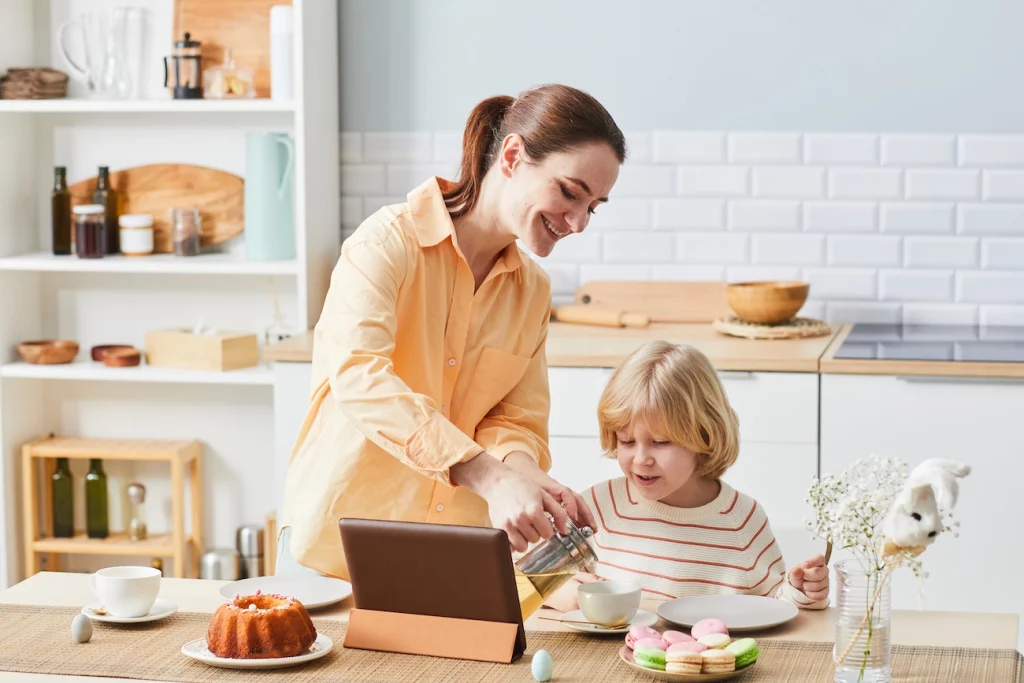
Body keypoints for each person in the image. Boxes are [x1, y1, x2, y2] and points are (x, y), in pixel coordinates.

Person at [278, 84, 626, 579]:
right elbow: (360, 379)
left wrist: (525, 475)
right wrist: (489, 476)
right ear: (512, 156)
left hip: (449, 560)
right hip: (334, 555)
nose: (578, 222)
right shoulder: (386, 243)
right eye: (570, 192)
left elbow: (515, 415)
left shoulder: (530, 291)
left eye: (593, 206)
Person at [545, 341, 830, 612]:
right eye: (627, 441)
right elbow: (527, 581)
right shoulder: (598, 507)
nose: (642, 459)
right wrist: (557, 593)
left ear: (703, 436)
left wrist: (802, 591)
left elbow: (776, 606)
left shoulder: (742, 521)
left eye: (660, 442)